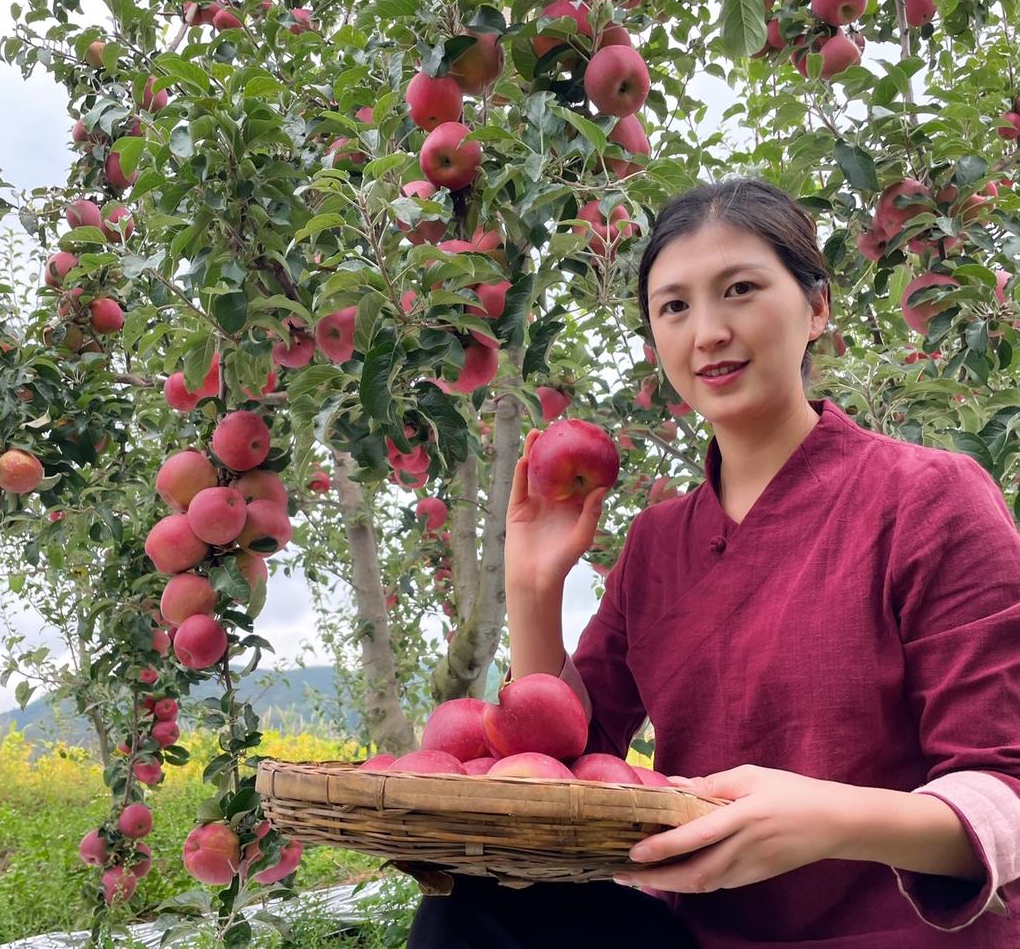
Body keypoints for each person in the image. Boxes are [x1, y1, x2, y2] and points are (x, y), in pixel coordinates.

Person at [407, 178, 1020, 948]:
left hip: (894, 935)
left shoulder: (930, 499)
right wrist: (535, 587)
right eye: (674, 307)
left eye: (740, 290)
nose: (709, 332)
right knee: (472, 904)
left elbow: (1006, 788)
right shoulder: (659, 544)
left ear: (817, 307)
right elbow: (568, 765)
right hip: (700, 935)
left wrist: (829, 819)